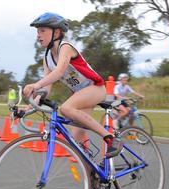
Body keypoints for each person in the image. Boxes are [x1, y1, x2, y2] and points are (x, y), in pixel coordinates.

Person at [23, 12, 123, 158]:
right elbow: (47, 87)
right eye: (37, 31)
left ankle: (112, 139)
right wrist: (29, 107)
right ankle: (94, 177)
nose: (38, 35)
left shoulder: (66, 47)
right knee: (76, 147)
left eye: (42, 31)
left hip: (95, 88)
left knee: (66, 109)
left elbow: (58, 72)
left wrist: (35, 85)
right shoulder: (47, 57)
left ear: (56, 32)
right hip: (81, 95)